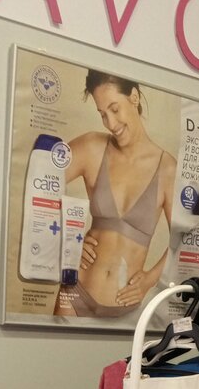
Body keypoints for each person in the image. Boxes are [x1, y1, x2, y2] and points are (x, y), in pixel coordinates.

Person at [55, 70, 176, 319]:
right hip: (74, 294)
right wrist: (66, 240)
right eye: (102, 114)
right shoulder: (91, 147)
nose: (110, 123)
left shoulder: (167, 169)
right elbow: (39, 183)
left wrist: (149, 281)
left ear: (134, 97)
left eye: (114, 109)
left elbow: (185, 240)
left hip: (126, 309)